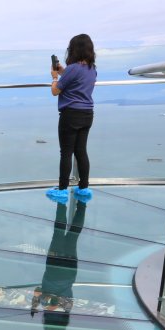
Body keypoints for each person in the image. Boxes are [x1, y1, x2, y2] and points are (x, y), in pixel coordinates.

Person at [46, 34, 97, 203]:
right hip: (87, 114)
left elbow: (56, 91)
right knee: (81, 151)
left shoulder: (74, 68)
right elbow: (74, 79)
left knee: (66, 152)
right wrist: (62, 71)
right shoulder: (91, 69)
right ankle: (83, 187)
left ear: (73, 50)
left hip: (71, 115)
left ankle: (62, 190)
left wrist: (54, 76)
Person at [31, 198, 87, 330]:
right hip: (54, 269)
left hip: (67, 271)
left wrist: (36, 303)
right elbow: (49, 296)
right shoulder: (57, 306)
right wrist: (40, 300)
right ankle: (62, 202)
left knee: (72, 235)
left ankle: (81, 203)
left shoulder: (64, 307)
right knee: (59, 232)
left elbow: (41, 292)